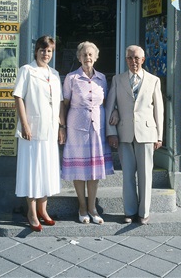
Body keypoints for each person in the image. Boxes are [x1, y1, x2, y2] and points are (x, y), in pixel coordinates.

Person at [105, 45, 164, 225]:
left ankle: (144, 212)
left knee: (146, 175)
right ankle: (130, 211)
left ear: (143, 60)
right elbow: (110, 106)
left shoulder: (153, 80)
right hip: (124, 133)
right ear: (126, 60)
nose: (133, 62)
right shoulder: (117, 80)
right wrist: (111, 132)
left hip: (147, 133)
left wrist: (159, 136)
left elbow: (159, 110)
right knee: (128, 174)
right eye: (130, 58)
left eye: (137, 58)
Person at [13, 35, 66, 232]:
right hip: (32, 131)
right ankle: (32, 212)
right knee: (32, 170)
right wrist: (24, 124)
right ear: (36, 51)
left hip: (50, 130)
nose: (46, 54)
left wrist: (62, 126)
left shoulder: (54, 74)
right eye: (43, 50)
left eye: (49, 50)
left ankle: (44, 210)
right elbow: (18, 97)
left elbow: (59, 102)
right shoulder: (27, 71)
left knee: (47, 171)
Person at [61, 41, 114, 225]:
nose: (87, 58)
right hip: (77, 129)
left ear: (96, 57)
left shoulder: (102, 79)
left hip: (97, 130)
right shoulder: (71, 78)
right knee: (79, 170)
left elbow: (106, 102)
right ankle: (82, 207)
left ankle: (92, 208)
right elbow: (64, 104)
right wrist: (62, 127)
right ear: (79, 57)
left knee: (94, 171)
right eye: (84, 55)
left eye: (90, 55)